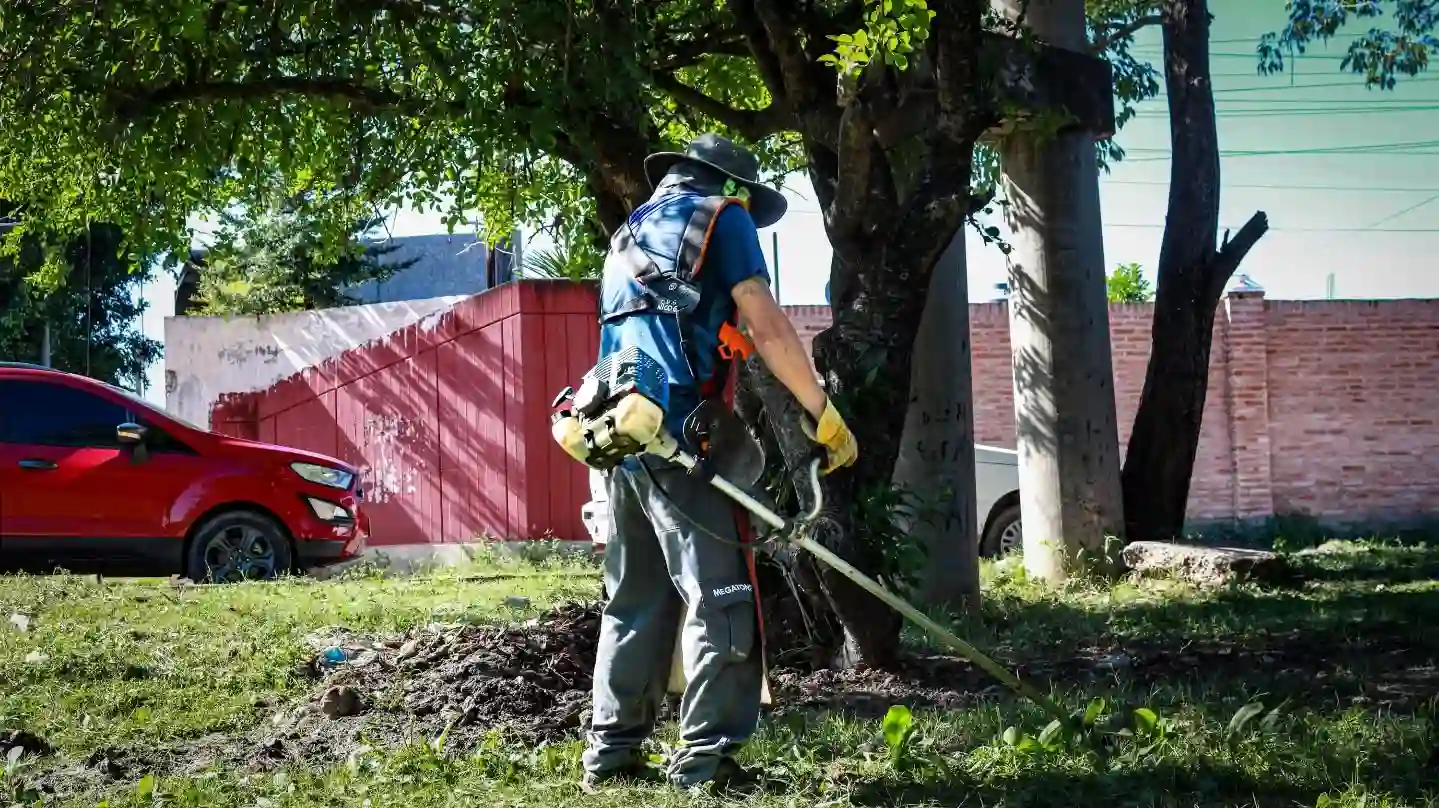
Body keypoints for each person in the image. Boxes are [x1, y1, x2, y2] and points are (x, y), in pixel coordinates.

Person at [581, 134, 858, 793]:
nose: (745, 215)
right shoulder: (719, 215)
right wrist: (821, 410)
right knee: (722, 598)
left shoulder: (628, 235)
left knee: (635, 600)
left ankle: (611, 758)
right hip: (685, 438)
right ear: (729, 186)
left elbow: (659, 331)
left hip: (621, 433)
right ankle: (705, 765)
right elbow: (764, 319)